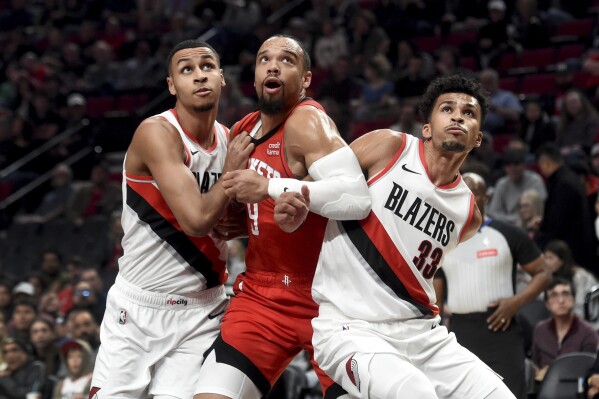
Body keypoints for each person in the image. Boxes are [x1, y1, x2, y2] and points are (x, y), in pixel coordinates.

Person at [298, 74, 517, 398]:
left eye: (469, 113)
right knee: (415, 393)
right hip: (351, 327)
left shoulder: (469, 215)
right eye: (447, 109)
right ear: (426, 128)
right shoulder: (388, 147)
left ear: (479, 138)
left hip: (423, 335)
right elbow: (311, 188)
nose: (458, 115)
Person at [194, 34, 371, 399]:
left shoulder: (307, 123)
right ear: (256, 76)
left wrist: (270, 189)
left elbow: (356, 197)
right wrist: (243, 218)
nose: (273, 65)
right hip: (263, 295)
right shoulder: (243, 130)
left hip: (326, 298)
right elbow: (245, 206)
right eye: (264, 60)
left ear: (305, 79)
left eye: (287, 60)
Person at [89, 39, 254, 399]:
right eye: (186, 69)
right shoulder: (157, 133)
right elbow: (196, 220)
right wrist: (230, 175)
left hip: (202, 310)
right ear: (171, 85)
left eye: (207, 67)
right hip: (138, 309)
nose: (199, 76)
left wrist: (243, 224)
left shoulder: (230, 141)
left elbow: (242, 218)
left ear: (223, 78)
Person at [434, 172, 550, 398]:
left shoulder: (507, 233)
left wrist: (516, 302)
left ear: (485, 198)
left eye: (473, 192)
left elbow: (544, 273)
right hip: (460, 331)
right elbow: (435, 294)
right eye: (460, 191)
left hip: (501, 327)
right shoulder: (441, 239)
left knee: (510, 393)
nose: (466, 197)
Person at [531, 278, 598, 382]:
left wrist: (551, 371)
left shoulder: (588, 332)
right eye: (554, 295)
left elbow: (588, 369)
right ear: (547, 304)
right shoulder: (540, 329)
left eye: (566, 294)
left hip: (573, 386)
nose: (561, 300)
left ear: (574, 299)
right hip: (543, 387)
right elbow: (535, 364)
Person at [487, 148, 547, 226]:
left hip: (531, 225)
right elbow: (493, 213)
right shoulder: (502, 184)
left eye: (516, 164)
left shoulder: (535, 180)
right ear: (505, 168)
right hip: (508, 226)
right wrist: (516, 220)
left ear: (524, 165)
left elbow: (539, 209)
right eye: (509, 165)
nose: (513, 169)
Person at [544, 239, 598, 320]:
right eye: (545, 258)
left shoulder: (580, 277)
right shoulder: (552, 277)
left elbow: (580, 307)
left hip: (589, 319)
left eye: (550, 258)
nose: (547, 262)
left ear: (562, 260)